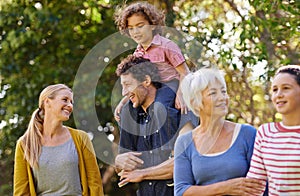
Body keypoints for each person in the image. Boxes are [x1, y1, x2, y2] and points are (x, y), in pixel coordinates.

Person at [174, 68, 266, 196]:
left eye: (223, 92)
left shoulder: (247, 134)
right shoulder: (184, 142)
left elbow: (262, 186)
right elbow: (181, 191)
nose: (222, 98)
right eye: (213, 93)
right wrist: (226, 187)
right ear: (196, 102)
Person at [113, 1, 198, 133]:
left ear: (152, 25)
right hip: (152, 87)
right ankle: (133, 148)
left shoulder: (167, 46)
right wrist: (124, 101)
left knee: (160, 107)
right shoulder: (138, 53)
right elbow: (136, 82)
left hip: (172, 83)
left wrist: (181, 94)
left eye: (140, 26)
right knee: (125, 111)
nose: (135, 32)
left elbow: (185, 72)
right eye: (131, 28)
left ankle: (170, 147)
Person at [13, 84, 104, 196]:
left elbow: (94, 183)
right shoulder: (25, 144)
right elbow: (21, 191)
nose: (70, 105)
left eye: (71, 102)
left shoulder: (81, 138)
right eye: (65, 100)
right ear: (47, 102)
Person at [114, 55, 180, 196]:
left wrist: (142, 174)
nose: (124, 93)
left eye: (127, 85)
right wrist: (119, 162)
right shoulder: (129, 116)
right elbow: (121, 169)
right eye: (122, 86)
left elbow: (183, 162)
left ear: (146, 81)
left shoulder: (178, 107)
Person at [247, 65, 300, 195]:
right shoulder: (265, 132)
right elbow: (255, 184)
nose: (279, 95)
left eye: (286, 88)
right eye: (275, 90)